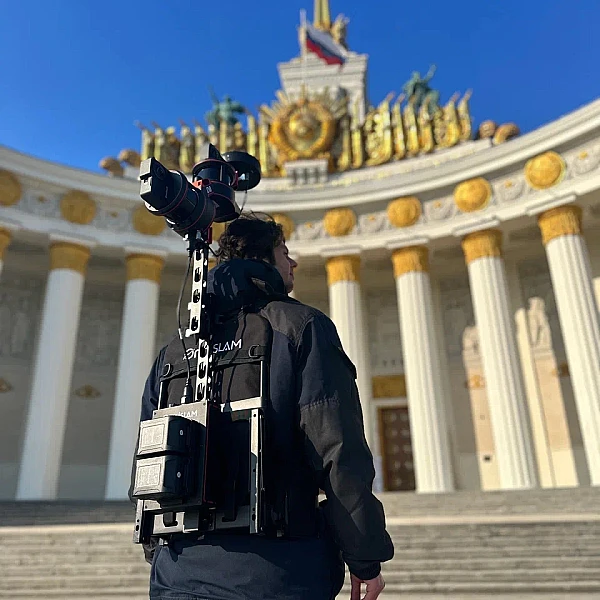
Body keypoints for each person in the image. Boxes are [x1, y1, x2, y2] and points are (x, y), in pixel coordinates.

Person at [132, 213, 394, 600]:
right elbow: (338, 452)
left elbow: (147, 458)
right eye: (284, 252)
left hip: (178, 574)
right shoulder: (301, 326)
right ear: (264, 259)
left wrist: (161, 555)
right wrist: (364, 558)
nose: (294, 262)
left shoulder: (175, 350)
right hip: (279, 573)